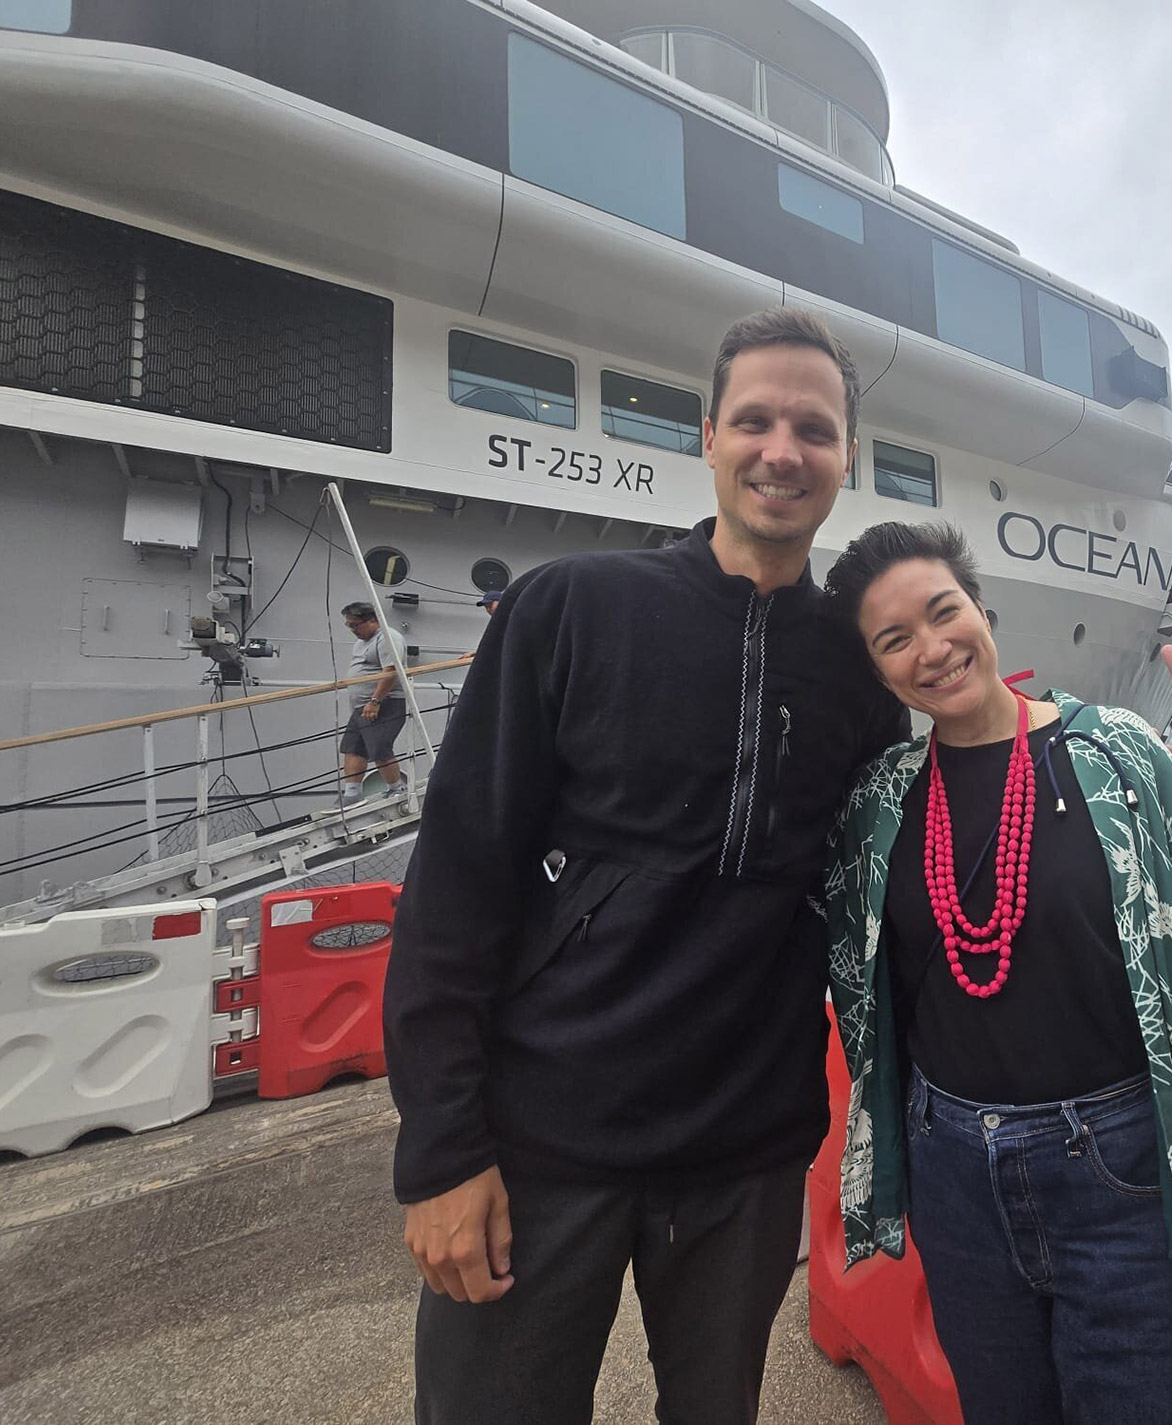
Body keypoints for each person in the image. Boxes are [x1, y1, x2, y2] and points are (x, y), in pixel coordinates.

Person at [383, 308, 909, 1425]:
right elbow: (458, 884)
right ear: (707, 435)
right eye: (756, 421)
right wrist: (439, 1151)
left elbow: (891, 888)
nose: (783, 450)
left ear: (844, 459)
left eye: (812, 429)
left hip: (744, 1160)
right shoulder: (573, 609)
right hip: (538, 1141)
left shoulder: (860, 673)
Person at [822, 522, 1172, 1424]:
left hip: (1126, 1171)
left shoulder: (1120, 756)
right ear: (876, 672)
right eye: (894, 639)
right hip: (956, 1177)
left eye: (944, 613)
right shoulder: (881, 802)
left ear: (982, 612)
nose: (932, 649)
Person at [338, 602, 408, 805]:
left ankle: (397, 789)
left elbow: (390, 672)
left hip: (385, 702)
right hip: (362, 707)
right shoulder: (361, 642)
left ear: (372, 620)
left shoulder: (388, 637)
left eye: (356, 625)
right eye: (349, 625)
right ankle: (352, 794)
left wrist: (375, 701)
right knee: (353, 747)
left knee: (379, 747)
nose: (353, 630)